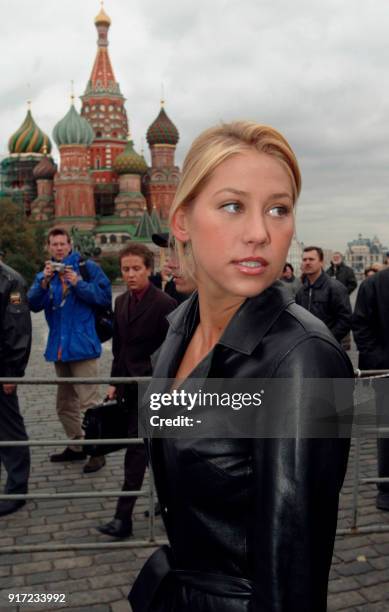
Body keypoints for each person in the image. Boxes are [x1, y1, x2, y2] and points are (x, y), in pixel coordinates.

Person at [129, 121, 354, 611]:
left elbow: (294, 578)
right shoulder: (179, 327)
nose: (259, 233)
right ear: (182, 220)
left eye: (279, 209)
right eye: (233, 206)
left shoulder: (307, 359)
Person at [97, 243, 177, 538]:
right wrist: (114, 383)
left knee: (136, 452)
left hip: (152, 390)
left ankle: (123, 518)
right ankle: (168, 503)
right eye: (125, 270)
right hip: (129, 388)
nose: (130, 275)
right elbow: (119, 348)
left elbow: (171, 352)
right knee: (152, 451)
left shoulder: (165, 304)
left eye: (136, 269)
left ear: (148, 270)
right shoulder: (121, 302)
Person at [27, 228, 111, 473]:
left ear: (70, 245)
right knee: (65, 405)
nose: (59, 248)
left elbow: (104, 298)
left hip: (83, 346)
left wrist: (79, 284)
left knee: (90, 404)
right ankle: (77, 447)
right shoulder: (46, 274)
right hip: (60, 349)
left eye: (63, 243)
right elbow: (31, 303)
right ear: (49, 247)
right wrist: (42, 282)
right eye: (54, 244)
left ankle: (97, 452)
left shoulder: (87, 268)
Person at [352, 267, 389, 510]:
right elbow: (361, 327)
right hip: (385, 372)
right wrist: (380, 362)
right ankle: (387, 487)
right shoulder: (373, 285)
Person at [0, 260, 32, 517]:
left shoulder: (11, 280)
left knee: (10, 430)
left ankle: (17, 489)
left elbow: (17, 330)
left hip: (2, 369)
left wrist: (12, 373)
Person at [296, 246, 352, 343]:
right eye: (304, 259)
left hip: (328, 346)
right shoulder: (301, 291)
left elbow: (345, 320)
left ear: (321, 262)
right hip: (306, 346)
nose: (307, 262)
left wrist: (327, 339)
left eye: (311, 259)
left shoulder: (335, 288)